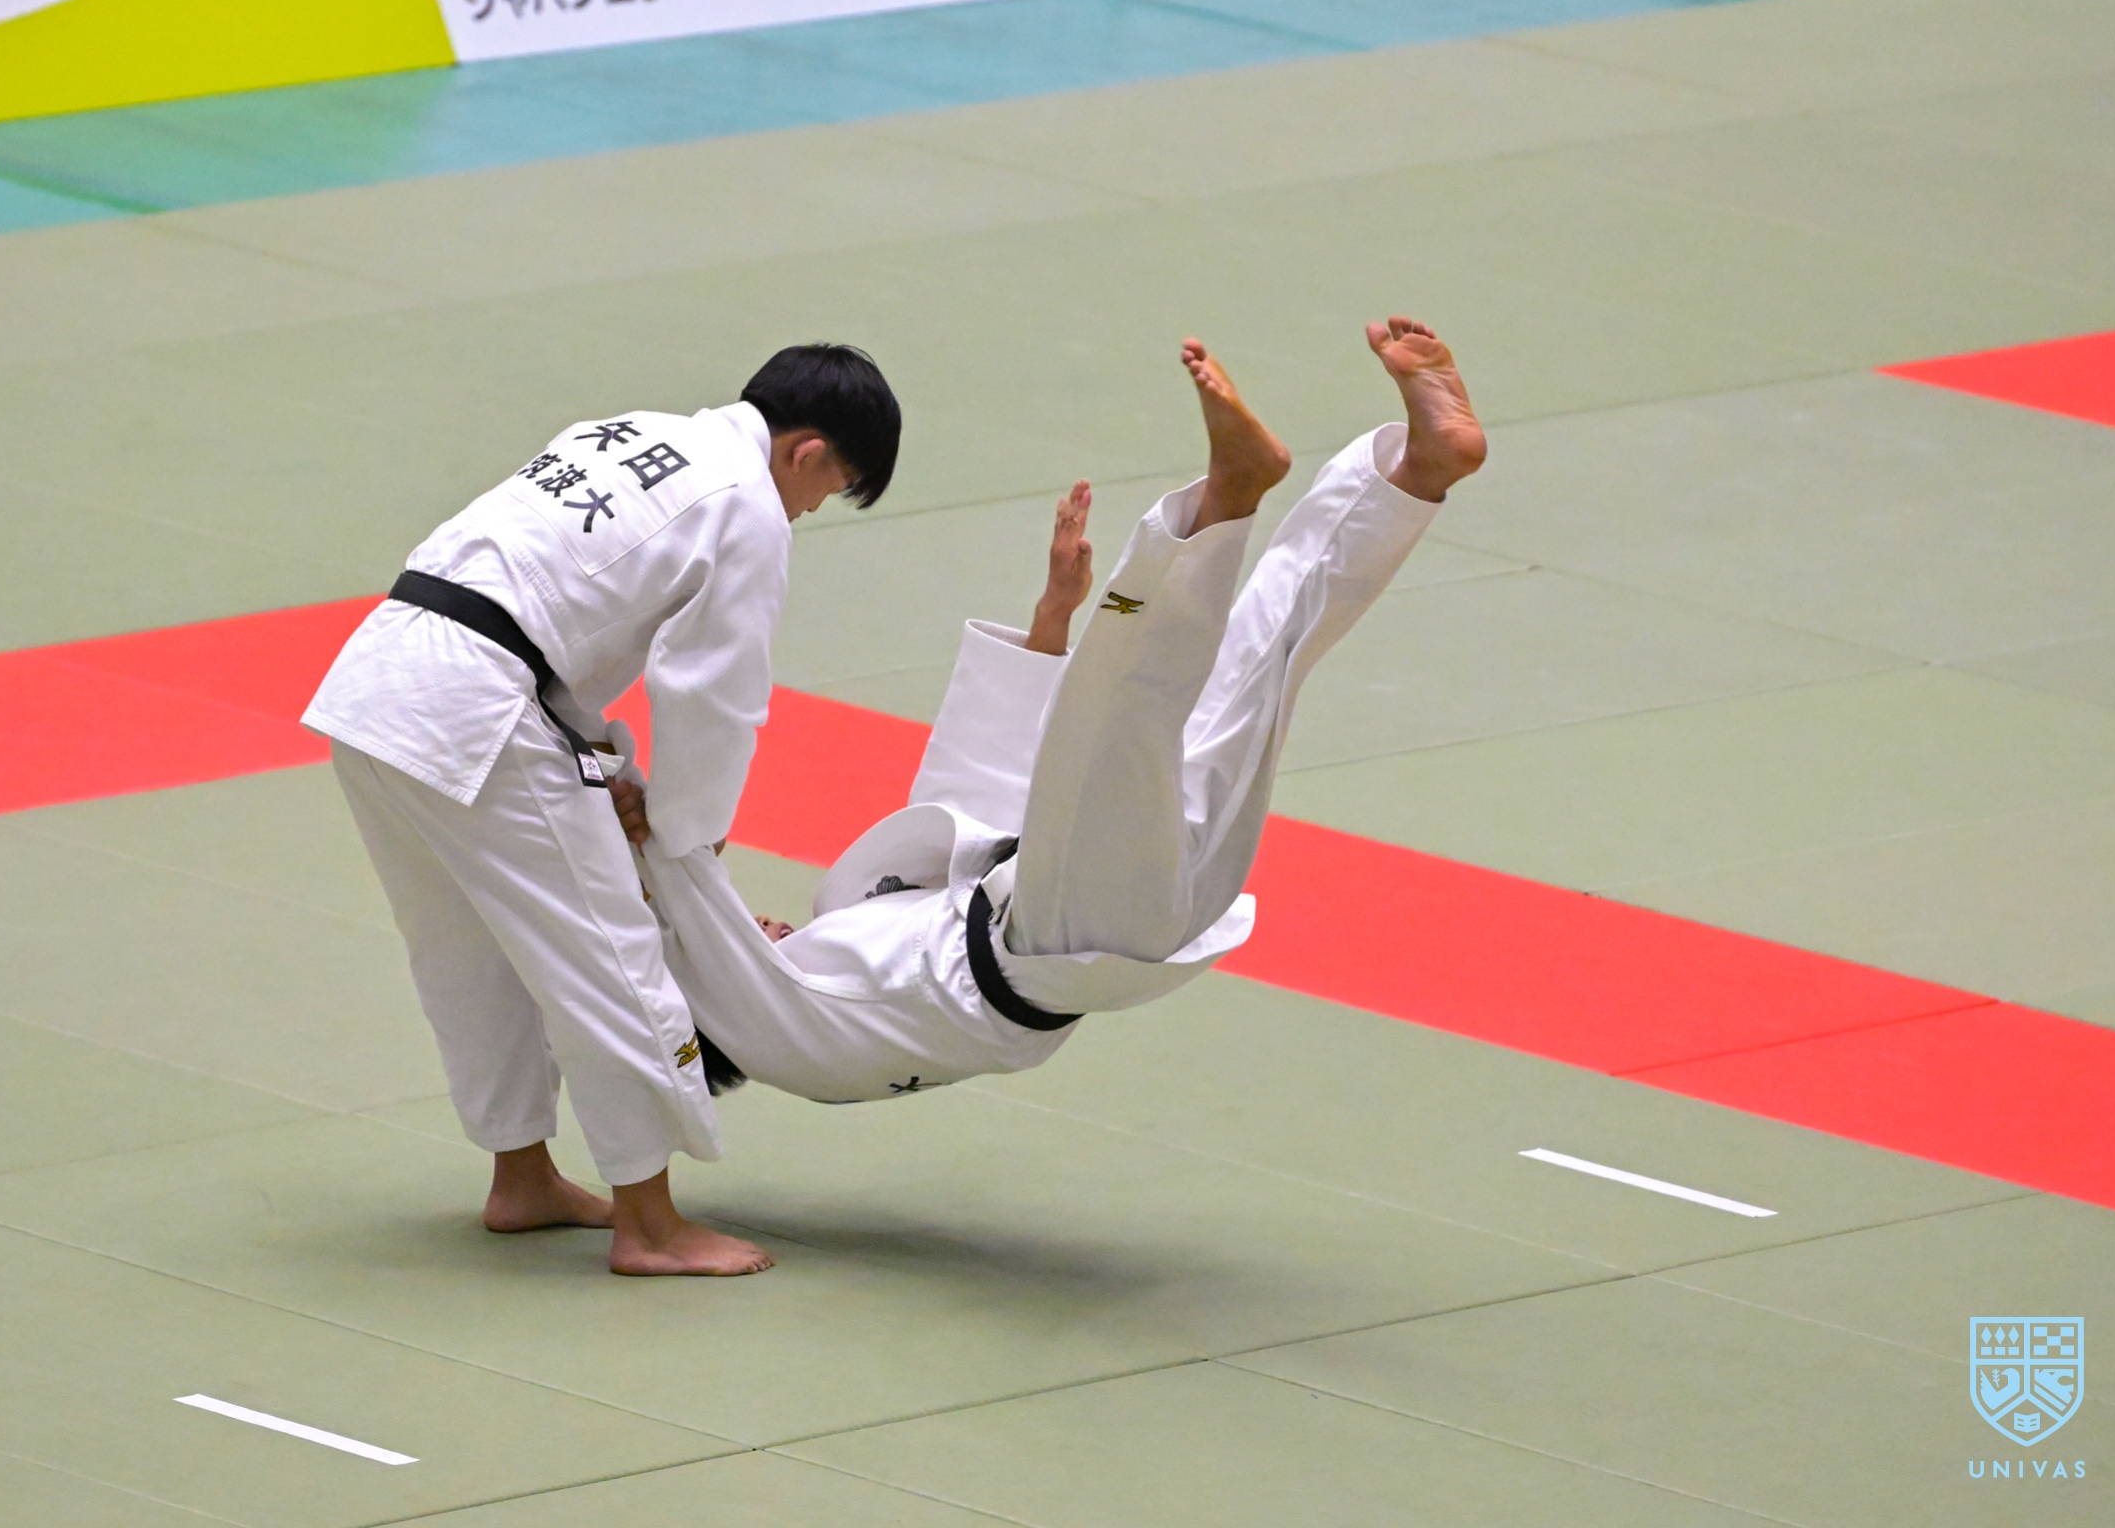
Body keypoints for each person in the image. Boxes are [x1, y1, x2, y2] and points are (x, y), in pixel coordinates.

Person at [618, 321, 1483, 1105]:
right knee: (1118, 699)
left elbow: (969, 795)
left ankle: (1415, 473)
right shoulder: (772, 1034)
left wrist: (1050, 619)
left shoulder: (839, 933)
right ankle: (1228, 496)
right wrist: (644, 839)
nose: (761, 925)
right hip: (1061, 932)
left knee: (1265, 657)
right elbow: (695, 927)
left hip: (1098, 920)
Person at [304, 346, 901, 1275]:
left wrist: (606, 770)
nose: (809, 509)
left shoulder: (628, 433)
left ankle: (522, 1179)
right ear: (808, 452)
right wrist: (684, 831)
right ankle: (650, 1226)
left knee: (468, 952)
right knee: (613, 960)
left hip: (379, 682)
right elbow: (714, 692)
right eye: (828, 490)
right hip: (480, 707)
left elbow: (545, 607)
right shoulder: (746, 503)